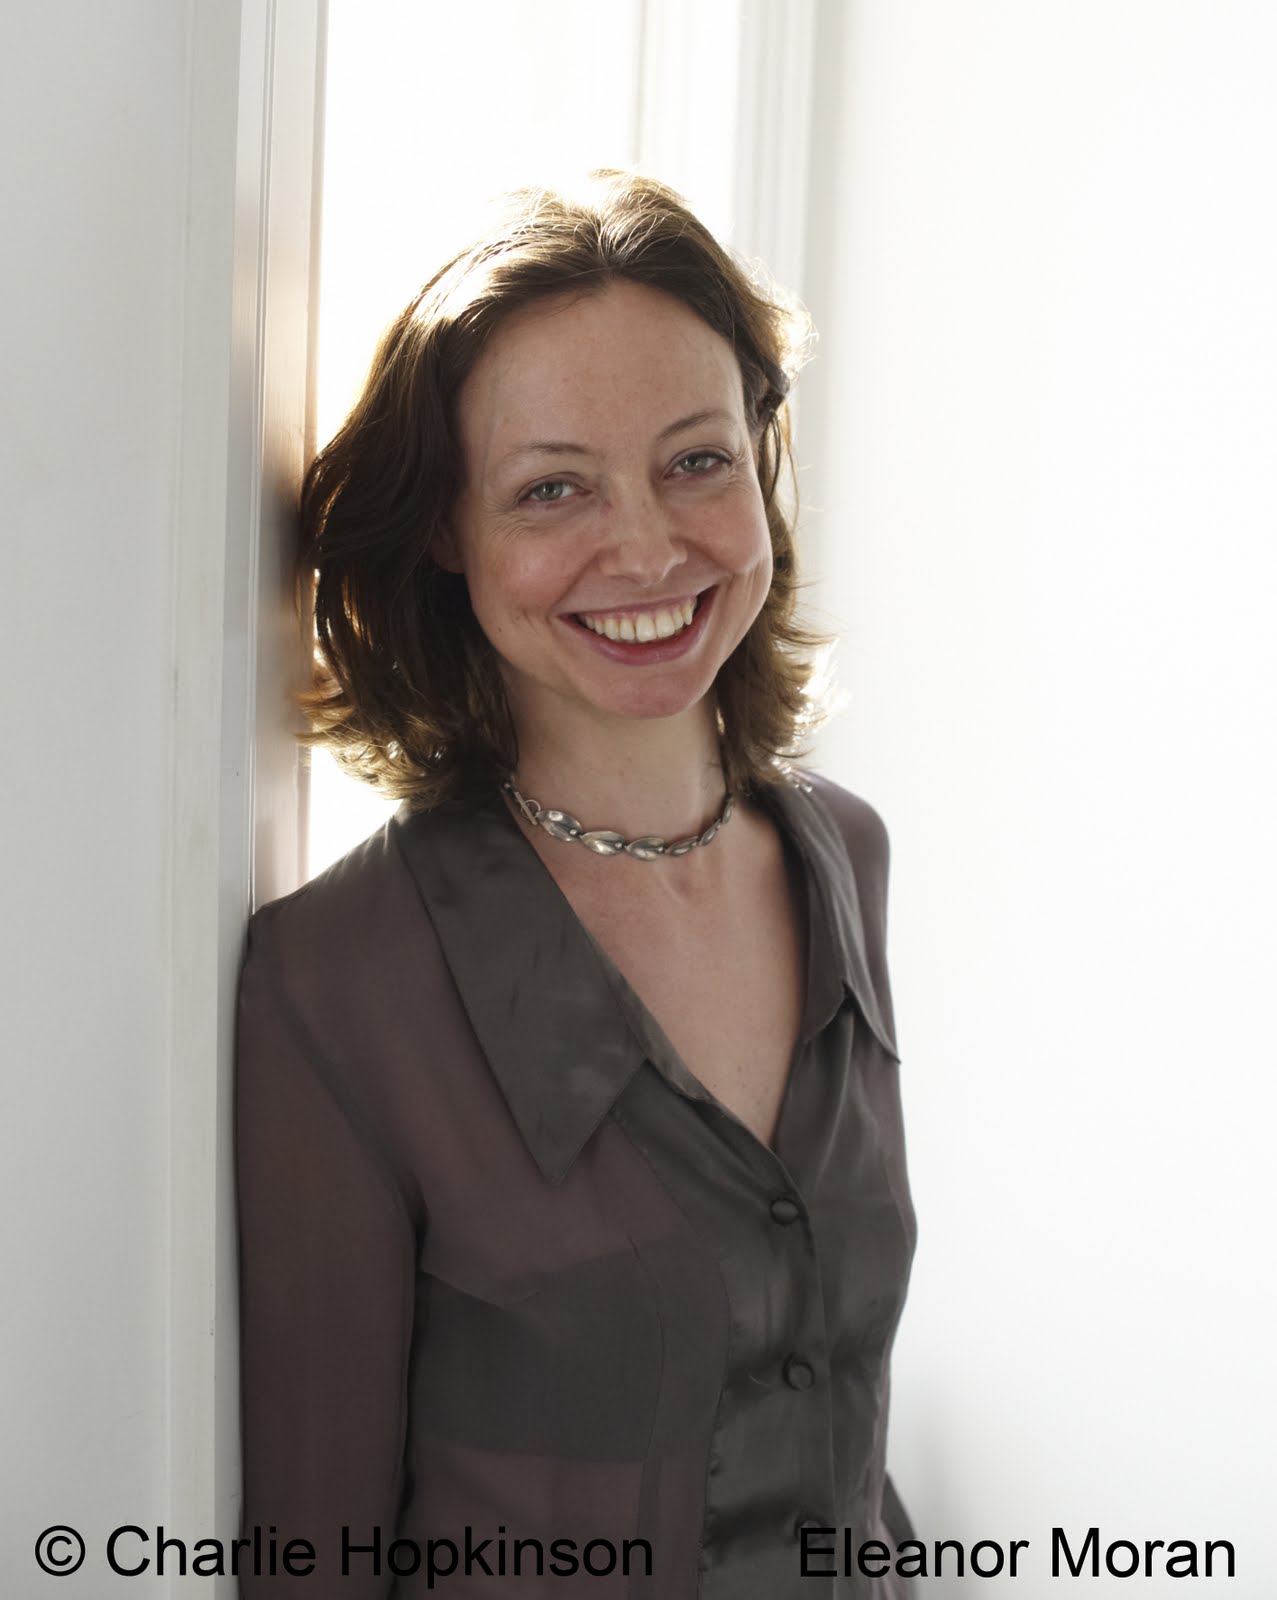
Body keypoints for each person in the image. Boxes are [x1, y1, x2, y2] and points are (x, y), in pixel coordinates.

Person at [234, 169, 916, 1599]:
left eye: (695, 461)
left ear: (761, 456)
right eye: (553, 488)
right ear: (446, 530)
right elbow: (315, 1557)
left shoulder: (842, 859)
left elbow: (830, 1421)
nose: (651, 549)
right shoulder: (339, 977)